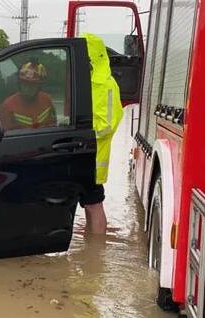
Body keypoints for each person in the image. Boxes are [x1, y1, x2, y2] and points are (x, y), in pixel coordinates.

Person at [80, 33, 124, 234]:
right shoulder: (90, 82)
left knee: (94, 205)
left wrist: (80, 136)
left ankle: (97, 250)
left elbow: (106, 126)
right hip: (82, 155)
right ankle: (91, 249)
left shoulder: (105, 85)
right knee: (88, 206)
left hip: (93, 157)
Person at [0, 61, 57, 130]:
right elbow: (5, 135)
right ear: (19, 84)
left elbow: (53, 126)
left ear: (39, 86)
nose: (27, 89)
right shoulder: (7, 106)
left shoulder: (47, 100)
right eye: (24, 84)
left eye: (32, 85)